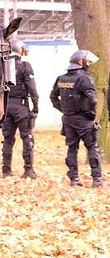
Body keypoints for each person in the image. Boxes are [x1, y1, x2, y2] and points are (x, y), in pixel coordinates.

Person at [50, 49, 104, 188]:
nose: (89, 64)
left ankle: (74, 179)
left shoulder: (61, 78)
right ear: (81, 62)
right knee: (92, 147)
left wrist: (64, 110)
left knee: (72, 148)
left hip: (68, 119)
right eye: (87, 62)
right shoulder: (85, 78)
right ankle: (97, 179)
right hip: (83, 119)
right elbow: (93, 100)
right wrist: (91, 114)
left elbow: (53, 97)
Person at [2, 39, 39, 179]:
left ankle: (6, 170)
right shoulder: (25, 66)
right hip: (21, 107)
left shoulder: (2, 66)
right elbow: (33, 90)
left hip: (6, 107)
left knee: (7, 139)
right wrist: (35, 108)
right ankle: (28, 170)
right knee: (27, 137)